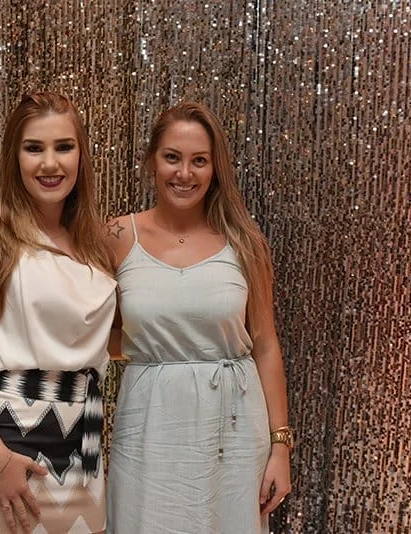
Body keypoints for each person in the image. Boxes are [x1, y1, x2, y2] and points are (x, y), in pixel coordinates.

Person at [105, 101, 292, 533]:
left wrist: (280, 447)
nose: (184, 173)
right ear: (152, 161)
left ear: (215, 168)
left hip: (234, 432)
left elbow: (265, 345)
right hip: (148, 425)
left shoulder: (244, 242)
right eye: (172, 157)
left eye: (199, 161)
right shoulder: (115, 236)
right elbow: (95, 331)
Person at [0, 92, 116, 534]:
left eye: (63, 147)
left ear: (81, 155)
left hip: (84, 456)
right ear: (14, 157)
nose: (50, 163)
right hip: (8, 449)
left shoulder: (94, 245)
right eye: (34, 148)